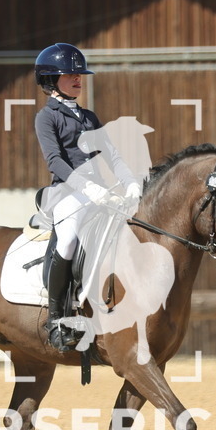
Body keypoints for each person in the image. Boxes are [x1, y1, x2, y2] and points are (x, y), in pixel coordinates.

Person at [33, 42, 141, 351]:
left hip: (101, 193)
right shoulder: (47, 117)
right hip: (67, 192)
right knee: (67, 239)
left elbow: (113, 155)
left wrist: (130, 182)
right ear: (52, 80)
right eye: (71, 75)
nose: (79, 79)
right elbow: (55, 161)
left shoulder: (89, 117)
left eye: (80, 74)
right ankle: (56, 319)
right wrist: (86, 187)